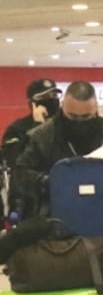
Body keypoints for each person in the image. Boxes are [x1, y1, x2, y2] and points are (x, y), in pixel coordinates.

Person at [13, 80, 103, 219]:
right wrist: (50, 182)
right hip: (53, 214)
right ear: (62, 107)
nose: (79, 121)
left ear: (96, 109)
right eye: (72, 116)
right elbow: (21, 173)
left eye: (86, 116)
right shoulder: (43, 136)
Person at [1, 79, 62, 216]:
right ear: (32, 103)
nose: (51, 100)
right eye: (44, 97)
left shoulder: (65, 127)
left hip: (62, 194)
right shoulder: (17, 128)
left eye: (54, 96)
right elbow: (15, 160)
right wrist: (37, 127)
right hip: (29, 200)